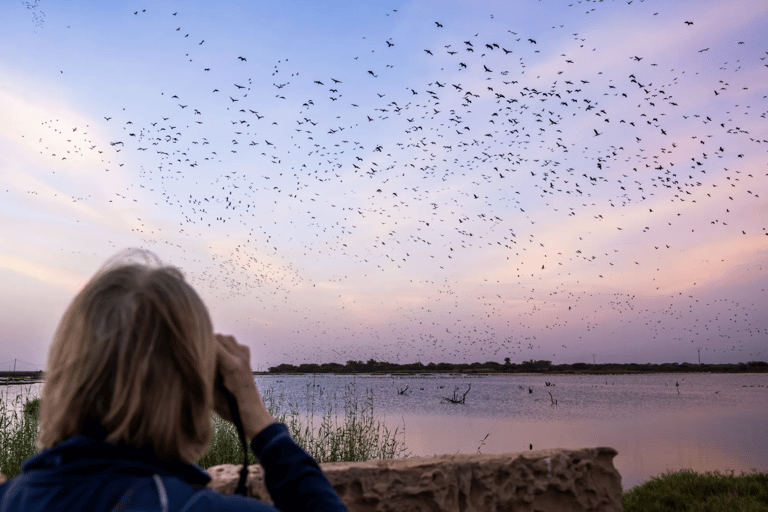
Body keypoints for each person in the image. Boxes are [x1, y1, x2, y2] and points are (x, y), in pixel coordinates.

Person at [0, 249, 348, 511]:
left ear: (65, 371)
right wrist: (258, 421)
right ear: (196, 385)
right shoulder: (193, 507)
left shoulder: (12, 497)